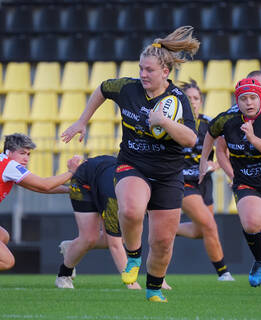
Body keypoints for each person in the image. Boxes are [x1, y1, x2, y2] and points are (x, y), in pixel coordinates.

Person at [61, 26, 199, 302]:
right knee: (132, 209)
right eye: (141, 69)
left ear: (165, 73)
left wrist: (165, 122)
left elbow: (191, 138)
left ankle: (154, 289)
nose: (143, 75)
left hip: (168, 175)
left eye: (149, 70)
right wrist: (81, 121)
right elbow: (101, 89)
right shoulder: (128, 88)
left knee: (161, 243)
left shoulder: (177, 100)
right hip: (132, 165)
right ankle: (133, 256)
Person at [199, 78, 261, 296]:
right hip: (248, 181)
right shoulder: (228, 118)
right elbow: (210, 133)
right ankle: (260, 260)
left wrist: (252, 138)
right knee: (252, 222)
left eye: (253, 97)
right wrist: (203, 160)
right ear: (238, 100)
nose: (249, 102)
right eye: (243, 98)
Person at [55, 155, 171, 290]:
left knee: (120, 238)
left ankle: (73, 246)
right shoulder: (114, 198)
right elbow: (114, 245)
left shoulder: (153, 189)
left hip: (104, 175)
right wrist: (131, 283)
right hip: (85, 181)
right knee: (89, 238)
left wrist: (158, 278)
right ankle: (64, 274)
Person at [176, 80, 234, 281]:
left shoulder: (210, 123)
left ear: (201, 101)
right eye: (188, 98)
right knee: (210, 225)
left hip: (204, 182)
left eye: (196, 98)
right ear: (180, 100)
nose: (192, 102)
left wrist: (217, 165)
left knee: (201, 230)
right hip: (182, 182)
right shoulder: (174, 124)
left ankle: (166, 226)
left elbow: (224, 152)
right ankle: (223, 273)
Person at [0, 133, 81, 271]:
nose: (26, 159)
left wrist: (70, 190)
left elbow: (41, 188)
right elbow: (44, 185)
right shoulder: (9, 166)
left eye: (28, 154)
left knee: (3, 236)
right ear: (9, 152)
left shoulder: (6, 165)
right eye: (22, 153)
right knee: (7, 262)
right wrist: (71, 173)